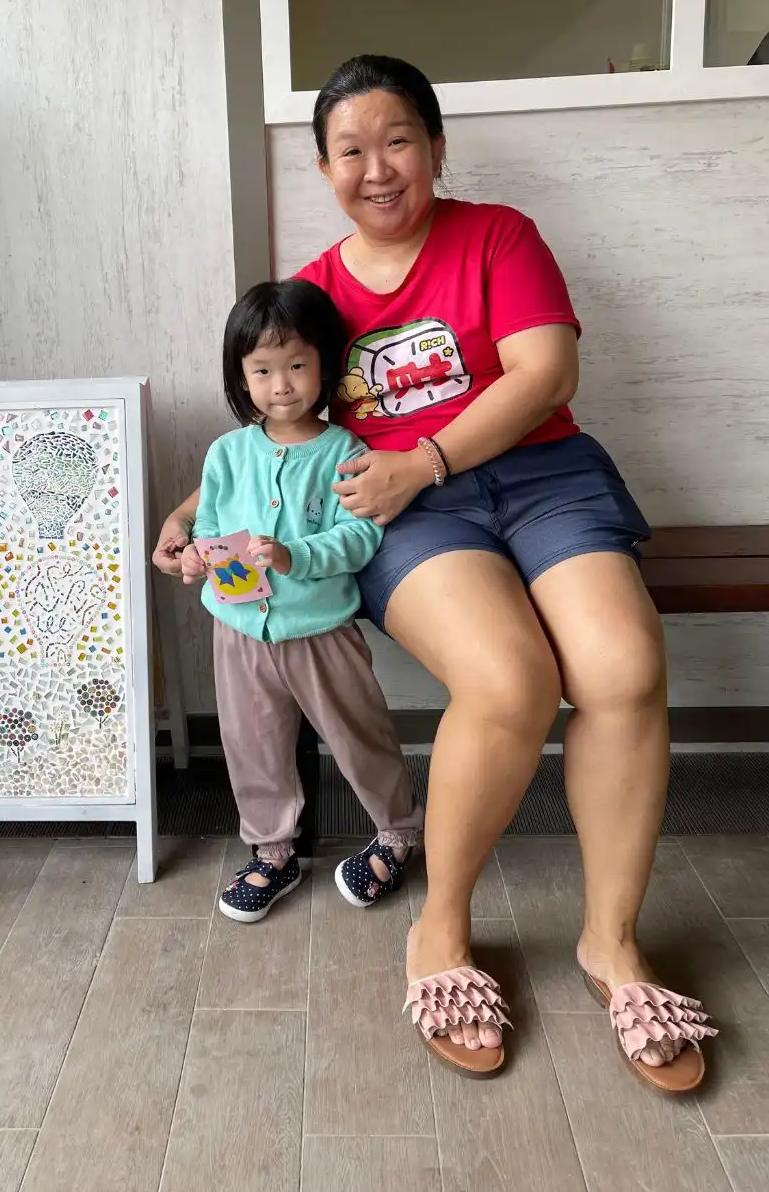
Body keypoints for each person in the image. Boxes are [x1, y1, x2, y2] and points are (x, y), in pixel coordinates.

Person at [154, 54, 716, 1092]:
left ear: (437, 145)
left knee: (624, 668)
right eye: (350, 149)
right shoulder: (312, 292)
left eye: (398, 139)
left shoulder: (498, 233)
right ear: (323, 169)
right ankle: (442, 929)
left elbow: (546, 369)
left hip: (540, 475)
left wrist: (430, 454)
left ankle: (611, 940)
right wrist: (194, 510)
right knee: (510, 680)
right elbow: (272, 426)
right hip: (402, 510)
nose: (377, 166)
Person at [178, 278, 423, 923]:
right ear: (241, 376)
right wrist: (201, 556)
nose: (280, 384)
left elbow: (362, 533)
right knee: (251, 743)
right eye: (261, 370)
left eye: (295, 365)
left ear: (324, 365)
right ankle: (272, 850)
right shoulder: (227, 453)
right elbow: (208, 523)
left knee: (359, 733)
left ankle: (397, 830)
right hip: (238, 629)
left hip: (320, 629)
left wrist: (297, 557)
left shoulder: (344, 451)